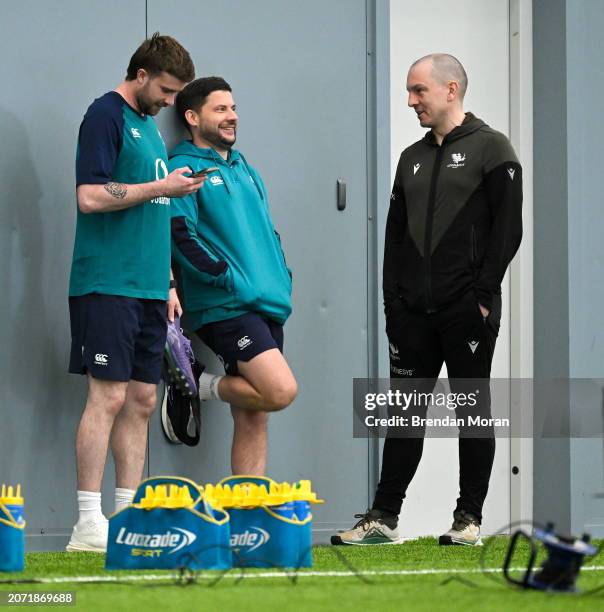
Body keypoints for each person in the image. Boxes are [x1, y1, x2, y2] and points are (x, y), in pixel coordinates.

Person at [333, 53, 522, 546]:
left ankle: (468, 520)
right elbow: (394, 238)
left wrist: (482, 296)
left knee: (470, 411)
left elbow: (509, 230)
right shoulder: (410, 158)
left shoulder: (493, 148)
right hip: (412, 314)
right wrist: (392, 304)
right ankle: (383, 518)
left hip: (467, 311)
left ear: (451, 89)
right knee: (404, 414)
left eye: (419, 91)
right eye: (409, 91)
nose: (411, 100)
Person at [67, 33, 205, 552]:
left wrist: (169, 283)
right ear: (141, 75)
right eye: (166, 91)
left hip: (149, 288)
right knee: (108, 396)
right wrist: (160, 187)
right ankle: (87, 522)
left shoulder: (147, 128)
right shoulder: (105, 115)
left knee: (144, 399)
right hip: (107, 282)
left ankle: (126, 518)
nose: (170, 102)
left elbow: (155, 212)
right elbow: (89, 196)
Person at [164, 76, 297, 474]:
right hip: (226, 305)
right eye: (220, 109)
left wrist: (282, 276)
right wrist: (224, 277)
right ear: (192, 117)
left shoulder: (245, 168)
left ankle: (246, 521)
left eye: (233, 108)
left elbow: (268, 232)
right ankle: (197, 386)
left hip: (268, 302)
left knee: (254, 414)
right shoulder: (183, 168)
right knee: (278, 390)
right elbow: (178, 234)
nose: (232, 117)